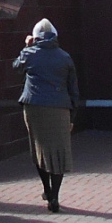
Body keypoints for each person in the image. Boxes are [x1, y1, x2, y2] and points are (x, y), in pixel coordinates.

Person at [13, 20, 81, 213]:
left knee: (39, 150)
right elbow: (73, 89)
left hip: (34, 107)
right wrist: (72, 116)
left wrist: (27, 46)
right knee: (59, 153)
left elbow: (16, 67)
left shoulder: (29, 53)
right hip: (60, 108)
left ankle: (47, 190)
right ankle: (55, 197)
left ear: (35, 37)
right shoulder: (65, 57)